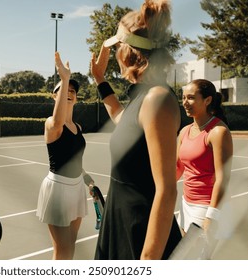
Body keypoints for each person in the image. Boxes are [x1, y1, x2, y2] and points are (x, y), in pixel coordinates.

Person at [90, 0, 182, 260]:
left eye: (118, 46)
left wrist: (148, 260)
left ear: (127, 52)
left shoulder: (157, 99)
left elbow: (166, 190)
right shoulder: (142, 99)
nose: (116, 53)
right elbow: (121, 118)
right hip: (120, 222)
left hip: (140, 234)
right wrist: (100, 80)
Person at [36, 52, 94, 260]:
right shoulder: (52, 123)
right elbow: (59, 120)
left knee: (70, 247)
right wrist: (64, 78)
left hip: (77, 187)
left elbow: (76, 161)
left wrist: (89, 182)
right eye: (63, 90)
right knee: (63, 250)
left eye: (72, 91)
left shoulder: (77, 127)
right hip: (58, 189)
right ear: (55, 96)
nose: (69, 92)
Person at [176, 79, 233, 235]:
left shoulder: (218, 131)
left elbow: (223, 178)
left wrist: (211, 216)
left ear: (207, 100)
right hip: (185, 204)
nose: (185, 102)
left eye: (191, 97)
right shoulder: (184, 131)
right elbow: (178, 168)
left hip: (206, 207)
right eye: (183, 97)